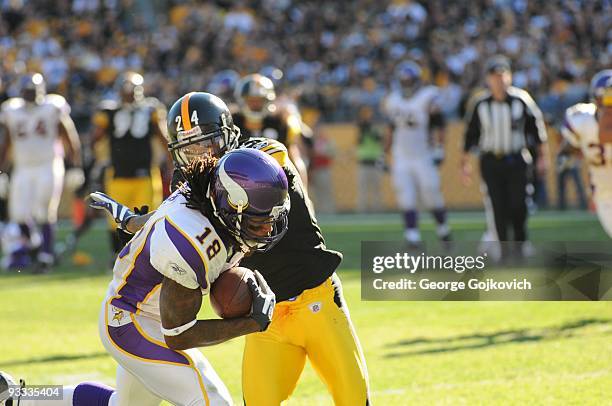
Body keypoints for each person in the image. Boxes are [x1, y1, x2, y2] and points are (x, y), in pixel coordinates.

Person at [103, 92, 370, 405]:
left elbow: (272, 159)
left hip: (315, 298)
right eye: (188, 150)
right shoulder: (194, 184)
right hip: (265, 313)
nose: (198, 157)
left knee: (353, 400)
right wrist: (139, 224)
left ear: (228, 135)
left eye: (205, 145)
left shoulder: (257, 157)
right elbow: (175, 217)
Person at [3, 146, 288, 406]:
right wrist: (250, 323)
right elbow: (178, 334)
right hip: (134, 321)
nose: (267, 230)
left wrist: (131, 221)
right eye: (259, 221)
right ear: (231, 205)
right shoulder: (189, 245)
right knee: (210, 401)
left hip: (148, 313)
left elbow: (161, 216)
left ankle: (16, 397)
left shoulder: (206, 195)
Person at [462, 55, 548, 256]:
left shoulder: (522, 100)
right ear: (488, 79)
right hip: (491, 161)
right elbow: (469, 136)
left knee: (519, 204)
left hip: (516, 158)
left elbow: (538, 132)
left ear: (510, 76)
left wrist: (543, 159)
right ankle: (503, 249)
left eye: (503, 75)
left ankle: (521, 243)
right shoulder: (480, 104)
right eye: (495, 76)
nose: (499, 80)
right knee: (497, 207)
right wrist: (463, 164)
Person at [0, 73, 81, 272]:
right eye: (28, 91)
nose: (32, 95)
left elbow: (69, 135)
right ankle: (36, 244)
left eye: (35, 91)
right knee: (18, 214)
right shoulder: (11, 110)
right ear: (21, 92)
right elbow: (7, 141)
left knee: (45, 211)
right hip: (22, 167)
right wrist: (2, 170)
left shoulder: (52, 106)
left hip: (48, 163)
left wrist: (75, 165)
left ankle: (45, 257)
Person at [91, 71, 168, 259]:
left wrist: (172, 161)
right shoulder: (109, 112)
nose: (130, 95)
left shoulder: (151, 110)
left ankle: (146, 257)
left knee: (148, 217)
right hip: (118, 174)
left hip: (145, 174)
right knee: (115, 220)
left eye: (133, 90)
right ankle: (116, 255)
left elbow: (163, 138)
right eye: (126, 91)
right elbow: (95, 139)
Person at [382, 60, 451, 244]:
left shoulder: (428, 96)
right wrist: (384, 153)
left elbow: (440, 125)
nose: (406, 85)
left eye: (409, 81)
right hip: (401, 155)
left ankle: (443, 229)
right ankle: (412, 236)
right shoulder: (393, 100)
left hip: (423, 154)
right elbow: (390, 128)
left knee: (431, 193)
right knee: (406, 196)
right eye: (404, 81)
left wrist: (439, 148)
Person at [232, 73, 310, 185]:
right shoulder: (233, 123)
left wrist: (303, 194)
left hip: (275, 184)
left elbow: (294, 161)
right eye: (251, 100)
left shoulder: (279, 122)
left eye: (259, 100)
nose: (255, 104)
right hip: (239, 183)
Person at [561, 69, 612, 237]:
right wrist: (566, 155)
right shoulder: (582, 120)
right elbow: (571, 144)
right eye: (608, 98)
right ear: (597, 99)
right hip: (605, 195)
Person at [356, 105, 385, 213]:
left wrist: (370, 129)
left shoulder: (375, 128)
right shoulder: (362, 128)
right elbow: (359, 140)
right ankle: (361, 210)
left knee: (376, 189)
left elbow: (378, 138)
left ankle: (378, 210)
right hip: (364, 162)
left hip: (375, 162)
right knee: (362, 189)